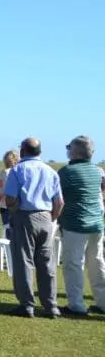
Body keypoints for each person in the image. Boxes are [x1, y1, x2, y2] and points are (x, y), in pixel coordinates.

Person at [4, 136, 63, 319]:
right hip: (46, 216)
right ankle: (51, 305)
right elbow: (59, 202)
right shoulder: (51, 171)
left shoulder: (18, 170)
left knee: (24, 262)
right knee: (46, 263)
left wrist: (15, 211)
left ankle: (27, 304)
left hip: (25, 215)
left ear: (22, 151)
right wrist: (51, 217)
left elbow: (10, 198)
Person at [57, 135, 105, 316]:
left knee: (73, 265)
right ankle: (102, 302)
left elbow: (58, 198)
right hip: (97, 224)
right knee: (97, 263)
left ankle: (76, 305)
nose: (67, 150)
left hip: (75, 224)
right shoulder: (98, 171)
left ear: (75, 151)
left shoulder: (66, 172)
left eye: (69, 147)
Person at [0, 150, 19, 239]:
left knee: (9, 232)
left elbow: (2, 191)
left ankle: (9, 251)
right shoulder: (19, 171)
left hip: (6, 206)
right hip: (19, 206)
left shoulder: (5, 172)